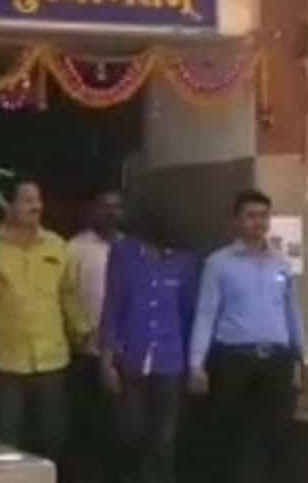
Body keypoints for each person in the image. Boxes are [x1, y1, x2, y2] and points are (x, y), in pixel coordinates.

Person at [0, 177, 92, 466]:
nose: (36, 206)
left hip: (52, 359)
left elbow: (68, 296)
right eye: (27, 201)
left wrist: (83, 332)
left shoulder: (56, 246)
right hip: (5, 363)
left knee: (53, 437)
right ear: (8, 206)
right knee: (6, 440)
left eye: (38, 200)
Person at [188, 190, 306, 483]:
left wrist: (304, 357)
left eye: (263, 216)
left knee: (275, 434)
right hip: (234, 360)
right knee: (233, 435)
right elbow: (206, 314)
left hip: (277, 361)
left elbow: (292, 312)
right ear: (236, 221)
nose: (258, 223)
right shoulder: (218, 263)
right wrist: (196, 363)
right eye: (251, 216)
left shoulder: (281, 264)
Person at [98, 198, 198, 483]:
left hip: (170, 362)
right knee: (130, 434)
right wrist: (106, 361)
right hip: (131, 358)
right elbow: (113, 306)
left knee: (163, 440)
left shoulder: (184, 261)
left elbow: (188, 313)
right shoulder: (123, 253)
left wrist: (192, 363)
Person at [67, 190, 123, 483]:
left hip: (122, 354)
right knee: (88, 426)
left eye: (117, 206)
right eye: (105, 206)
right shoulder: (75, 248)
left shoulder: (129, 248)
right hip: (86, 351)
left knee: (120, 428)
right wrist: (79, 331)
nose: (112, 212)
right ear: (92, 209)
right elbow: (65, 294)